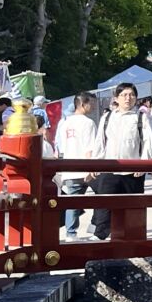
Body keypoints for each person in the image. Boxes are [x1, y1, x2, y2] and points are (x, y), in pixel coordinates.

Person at [89, 83, 152, 241]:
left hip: (133, 169)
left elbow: (149, 141)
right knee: (104, 203)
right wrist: (95, 163)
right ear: (116, 98)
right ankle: (100, 235)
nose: (128, 98)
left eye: (132, 94)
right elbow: (100, 141)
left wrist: (144, 163)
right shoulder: (107, 117)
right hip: (110, 167)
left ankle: (132, 236)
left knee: (132, 205)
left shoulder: (141, 117)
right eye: (124, 95)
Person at [54, 93, 98, 241]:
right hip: (84, 165)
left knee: (73, 201)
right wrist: (90, 167)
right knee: (103, 195)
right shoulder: (88, 123)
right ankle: (92, 226)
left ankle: (71, 232)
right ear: (83, 104)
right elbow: (89, 147)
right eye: (91, 103)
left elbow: (60, 146)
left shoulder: (64, 123)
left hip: (69, 165)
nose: (93, 106)